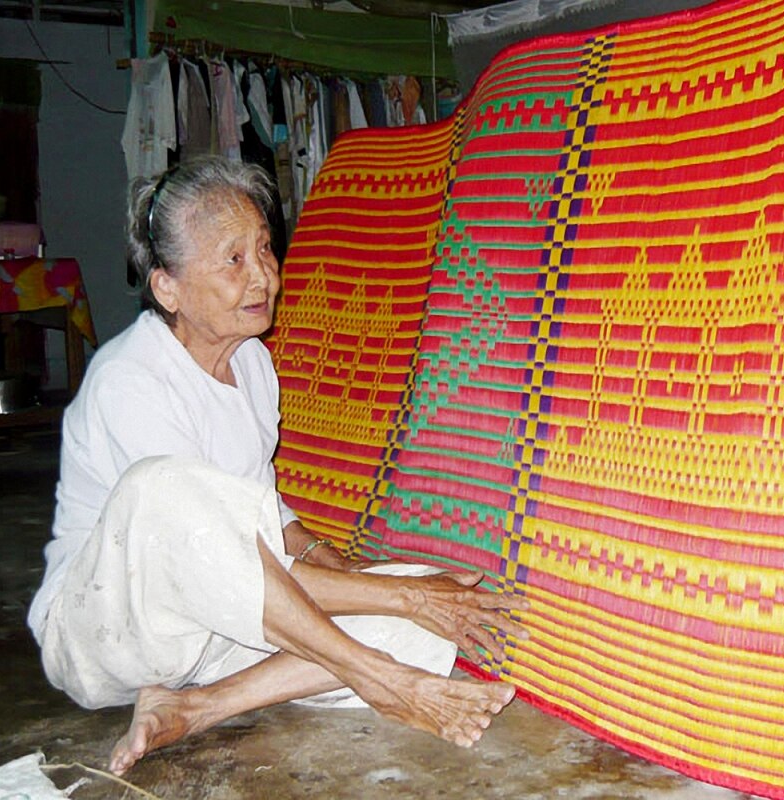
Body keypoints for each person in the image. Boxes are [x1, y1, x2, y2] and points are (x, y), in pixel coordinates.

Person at [26, 156, 528, 777]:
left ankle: (198, 707)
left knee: (430, 613)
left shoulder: (254, 364)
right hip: (108, 632)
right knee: (163, 488)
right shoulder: (130, 381)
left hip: (211, 631)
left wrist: (354, 571)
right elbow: (224, 554)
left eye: (264, 249)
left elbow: (265, 514)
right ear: (168, 288)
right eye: (233, 260)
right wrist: (400, 597)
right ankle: (379, 678)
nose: (262, 275)